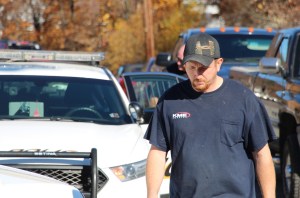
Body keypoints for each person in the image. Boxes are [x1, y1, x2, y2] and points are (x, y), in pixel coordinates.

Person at [144, 33, 277, 198]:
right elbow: (157, 151)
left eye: (203, 67)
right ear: (183, 66)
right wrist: (151, 194)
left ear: (219, 63)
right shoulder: (170, 101)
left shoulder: (243, 99)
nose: (197, 74)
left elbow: (262, 154)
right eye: (192, 67)